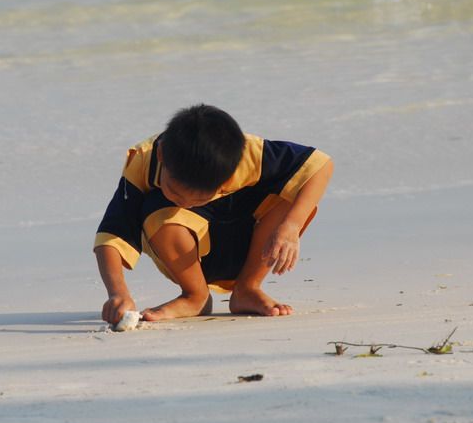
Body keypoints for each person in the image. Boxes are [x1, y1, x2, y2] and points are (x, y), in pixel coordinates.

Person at [94, 104, 333, 325]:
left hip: (252, 246)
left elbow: (320, 164)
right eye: (175, 193)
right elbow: (114, 232)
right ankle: (195, 296)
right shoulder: (144, 161)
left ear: (227, 179)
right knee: (158, 211)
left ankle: (247, 289)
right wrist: (118, 293)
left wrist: (291, 226)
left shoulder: (248, 154)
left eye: (198, 199)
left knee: (292, 197)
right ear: (161, 156)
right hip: (185, 256)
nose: (185, 203)